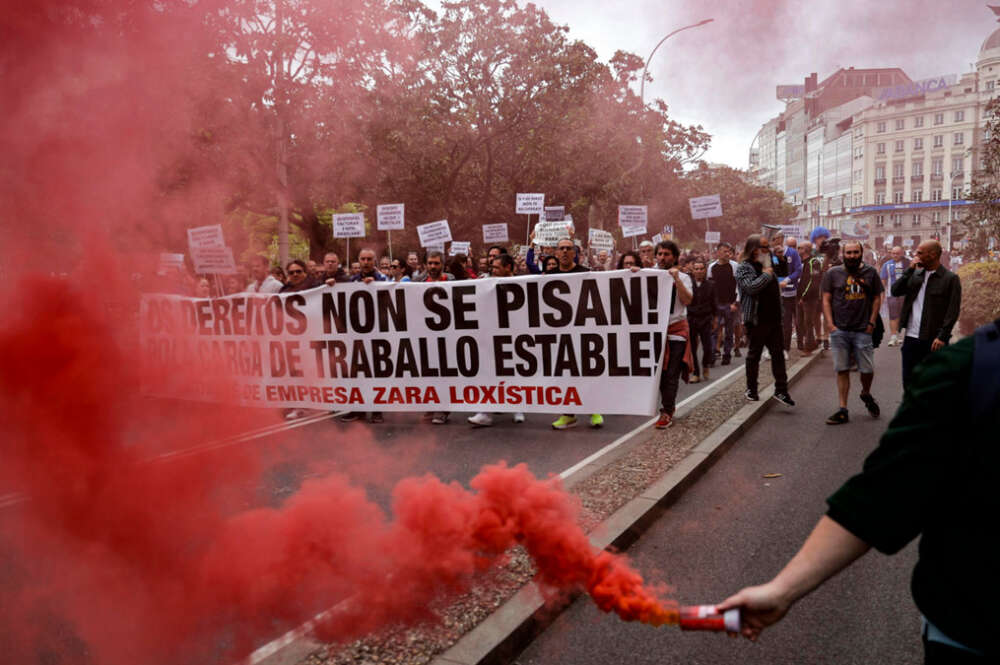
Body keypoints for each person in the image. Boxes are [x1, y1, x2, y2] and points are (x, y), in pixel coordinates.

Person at [718, 319, 1000, 662]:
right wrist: (781, 591)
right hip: (967, 631)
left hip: (968, 627)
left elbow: (884, 496)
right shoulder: (968, 371)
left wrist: (782, 590)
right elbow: (884, 495)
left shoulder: (967, 369)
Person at [821, 240, 883, 425]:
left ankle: (865, 393)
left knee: (867, 369)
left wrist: (871, 322)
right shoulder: (833, 273)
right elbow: (826, 299)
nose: (852, 256)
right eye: (848, 253)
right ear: (843, 254)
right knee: (842, 370)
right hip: (840, 330)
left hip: (862, 330)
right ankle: (843, 409)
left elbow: (877, 298)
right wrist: (831, 325)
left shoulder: (870, 272)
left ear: (861, 253)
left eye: (855, 252)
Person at [547, 237, 602, 429]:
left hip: (583, 331)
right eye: (561, 248)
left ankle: (594, 410)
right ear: (555, 252)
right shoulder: (548, 275)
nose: (564, 252)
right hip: (559, 333)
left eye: (568, 248)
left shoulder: (586, 273)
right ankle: (568, 414)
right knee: (564, 375)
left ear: (574, 253)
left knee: (587, 372)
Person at [891, 240, 962, 387]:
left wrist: (943, 336)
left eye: (920, 253)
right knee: (909, 382)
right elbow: (895, 291)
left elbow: (952, 310)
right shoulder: (915, 274)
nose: (915, 255)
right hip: (911, 338)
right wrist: (909, 271)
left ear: (933, 255)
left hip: (934, 340)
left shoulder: (950, 279)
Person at [468, 254, 527, 427]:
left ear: (508, 267)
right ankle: (485, 412)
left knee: (514, 372)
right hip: (492, 334)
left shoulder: (523, 282)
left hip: (515, 334)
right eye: (491, 267)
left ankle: (518, 407)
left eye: (496, 267)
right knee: (489, 373)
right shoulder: (485, 284)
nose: (492, 271)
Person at [736, 234, 794, 407]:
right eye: (763, 247)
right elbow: (750, 287)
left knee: (778, 355)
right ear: (753, 249)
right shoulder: (744, 267)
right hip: (756, 319)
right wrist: (767, 275)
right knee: (754, 355)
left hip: (774, 318)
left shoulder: (768, 263)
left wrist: (781, 259)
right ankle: (751, 389)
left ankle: (781, 390)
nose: (767, 250)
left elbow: (783, 274)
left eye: (767, 247)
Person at [654, 240, 694, 429]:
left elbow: (687, 300)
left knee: (671, 373)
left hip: (676, 331)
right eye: (660, 254)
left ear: (675, 257)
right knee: (659, 374)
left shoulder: (684, 278)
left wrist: (677, 279)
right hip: (654, 332)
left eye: (667, 254)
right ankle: (666, 406)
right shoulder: (650, 274)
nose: (663, 258)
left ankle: (667, 410)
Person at [708, 243, 740, 366]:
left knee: (729, 331)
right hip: (716, 304)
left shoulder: (734, 266)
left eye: (729, 251)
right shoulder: (712, 267)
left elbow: (739, 285)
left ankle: (727, 354)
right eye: (725, 251)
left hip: (730, 304)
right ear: (718, 252)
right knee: (714, 330)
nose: (727, 254)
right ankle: (713, 354)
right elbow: (710, 285)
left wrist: (735, 303)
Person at [686, 260, 716, 384]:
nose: (699, 271)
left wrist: (715, 318)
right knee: (692, 347)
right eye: (696, 269)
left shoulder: (711, 285)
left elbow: (714, 303)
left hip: (706, 318)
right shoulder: (687, 284)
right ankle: (696, 373)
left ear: (705, 270)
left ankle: (705, 365)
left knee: (708, 346)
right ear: (693, 271)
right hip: (691, 318)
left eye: (701, 269)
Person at [879, 246, 909, 347]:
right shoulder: (886, 265)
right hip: (891, 295)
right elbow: (883, 281)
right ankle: (893, 336)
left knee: (902, 316)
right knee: (893, 315)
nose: (895, 255)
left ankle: (899, 335)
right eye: (893, 253)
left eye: (898, 253)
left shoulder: (908, 264)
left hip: (905, 295)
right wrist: (881, 296)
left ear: (902, 253)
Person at [796, 240, 822, 354]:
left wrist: (804, 296)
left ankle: (809, 346)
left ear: (805, 249)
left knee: (808, 322)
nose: (797, 250)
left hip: (810, 298)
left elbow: (813, 281)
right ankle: (810, 344)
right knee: (800, 322)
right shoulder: (802, 262)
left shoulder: (814, 262)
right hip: (800, 297)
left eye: (799, 248)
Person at [778, 234, 802, 356]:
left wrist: (787, 280)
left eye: (777, 239)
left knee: (798, 321)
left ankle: (801, 345)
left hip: (795, 293)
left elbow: (798, 270)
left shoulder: (793, 253)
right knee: (785, 322)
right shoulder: (773, 254)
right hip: (782, 295)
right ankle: (785, 348)